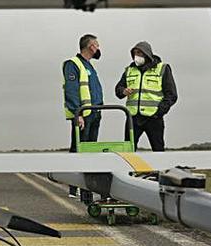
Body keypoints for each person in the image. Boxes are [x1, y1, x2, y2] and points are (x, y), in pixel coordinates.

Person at [114, 41, 177, 151]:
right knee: (128, 152)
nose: (136, 56)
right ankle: (129, 169)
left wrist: (159, 112)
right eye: (134, 53)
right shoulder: (129, 70)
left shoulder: (162, 68)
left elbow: (171, 95)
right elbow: (118, 89)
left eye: (139, 53)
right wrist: (123, 91)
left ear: (147, 54)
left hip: (153, 118)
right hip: (133, 118)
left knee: (158, 151)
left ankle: (159, 169)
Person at [63, 34, 104, 200]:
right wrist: (77, 113)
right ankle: (74, 188)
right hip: (83, 115)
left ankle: (87, 187)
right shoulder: (73, 64)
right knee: (78, 150)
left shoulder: (89, 66)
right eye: (97, 45)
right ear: (91, 46)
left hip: (95, 113)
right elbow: (71, 90)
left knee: (91, 151)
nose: (99, 48)